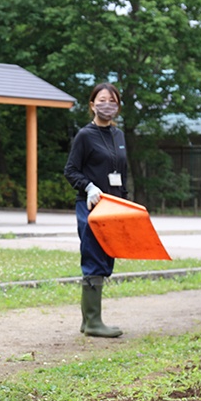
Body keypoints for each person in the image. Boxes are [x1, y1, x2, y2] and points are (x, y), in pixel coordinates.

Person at [64, 82, 126, 338]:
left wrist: (126, 204)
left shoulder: (119, 135)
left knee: (107, 256)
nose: (107, 105)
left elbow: (123, 173)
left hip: (114, 206)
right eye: (102, 100)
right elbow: (70, 170)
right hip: (91, 206)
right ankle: (92, 321)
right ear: (92, 104)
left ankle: (89, 320)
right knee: (93, 256)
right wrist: (88, 186)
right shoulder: (85, 135)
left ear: (118, 107)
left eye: (112, 101)